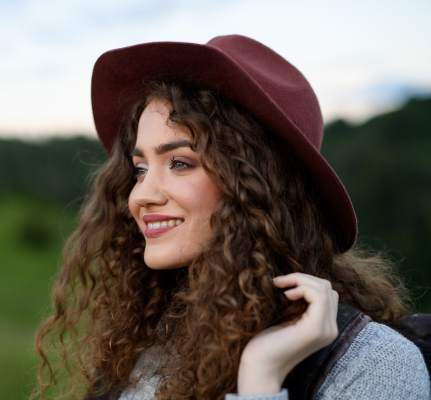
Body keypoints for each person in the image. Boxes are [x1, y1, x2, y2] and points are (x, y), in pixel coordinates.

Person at [33, 35, 429, 400]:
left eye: (180, 162)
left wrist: (260, 377)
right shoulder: (145, 348)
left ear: (257, 185)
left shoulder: (372, 365)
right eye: (140, 168)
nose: (141, 195)